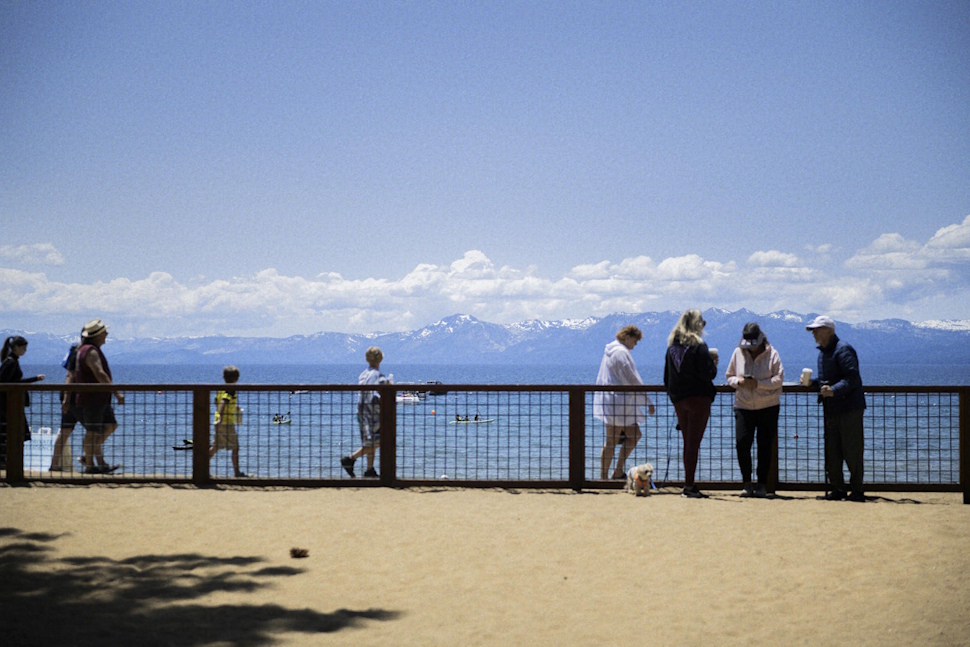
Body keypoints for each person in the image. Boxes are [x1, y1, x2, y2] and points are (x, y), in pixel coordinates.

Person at [806, 315, 866, 502]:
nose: (814, 333)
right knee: (832, 451)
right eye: (813, 330)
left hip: (848, 409)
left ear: (829, 331)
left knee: (852, 451)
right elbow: (828, 383)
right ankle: (838, 489)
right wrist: (812, 384)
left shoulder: (843, 350)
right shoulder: (823, 353)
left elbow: (852, 378)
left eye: (817, 329)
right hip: (832, 409)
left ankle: (856, 490)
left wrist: (833, 390)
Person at [725, 322, 784, 498]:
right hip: (743, 406)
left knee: (764, 446)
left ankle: (762, 484)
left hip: (768, 406)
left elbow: (778, 379)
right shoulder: (737, 353)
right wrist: (739, 382)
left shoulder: (773, 354)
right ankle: (746, 483)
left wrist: (758, 384)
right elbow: (729, 376)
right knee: (742, 443)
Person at [664, 309, 718, 498]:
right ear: (697, 324)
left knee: (688, 443)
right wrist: (713, 363)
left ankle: (688, 484)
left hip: (679, 400)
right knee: (693, 445)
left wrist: (674, 398)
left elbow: (667, 377)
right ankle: (689, 485)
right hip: (699, 399)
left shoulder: (672, 347)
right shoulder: (699, 345)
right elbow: (708, 374)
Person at [593, 325, 655, 480]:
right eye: (634, 341)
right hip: (619, 404)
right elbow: (632, 378)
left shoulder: (610, 351)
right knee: (613, 440)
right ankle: (605, 476)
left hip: (614, 402)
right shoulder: (620, 353)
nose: (634, 345)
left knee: (629, 436)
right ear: (627, 337)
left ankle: (615, 472)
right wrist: (647, 401)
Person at [73, 319, 123, 474]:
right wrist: (116, 392)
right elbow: (99, 373)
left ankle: (89, 457)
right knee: (92, 431)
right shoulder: (90, 351)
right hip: (92, 399)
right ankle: (92, 464)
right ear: (97, 335)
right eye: (104, 332)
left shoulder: (85, 349)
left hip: (99, 398)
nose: (106, 334)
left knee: (109, 426)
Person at [342, 346, 390, 478]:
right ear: (380, 359)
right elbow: (382, 389)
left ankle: (370, 470)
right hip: (372, 412)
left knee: (370, 441)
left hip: (361, 411)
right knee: (379, 441)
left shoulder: (363, 374)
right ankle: (350, 459)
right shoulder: (378, 375)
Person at [0, 336, 46, 467]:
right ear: (16, 348)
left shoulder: (10, 361)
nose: (25, 351)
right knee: (13, 432)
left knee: (9, 432)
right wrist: (34, 379)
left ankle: (7, 462)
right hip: (8, 406)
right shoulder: (11, 362)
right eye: (23, 348)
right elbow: (10, 383)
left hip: (8, 405)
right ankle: (8, 463)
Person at [50, 335, 82, 471]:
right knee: (94, 428)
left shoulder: (74, 352)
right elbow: (70, 376)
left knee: (64, 431)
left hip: (70, 396)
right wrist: (66, 400)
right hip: (76, 397)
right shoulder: (79, 354)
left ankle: (54, 464)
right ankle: (90, 459)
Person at [209, 365, 247, 477]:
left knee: (215, 447)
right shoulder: (231, 389)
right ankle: (237, 472)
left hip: (218, 421)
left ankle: (201, 468)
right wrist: (221, 416)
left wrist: (233, 407)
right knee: (235, 447)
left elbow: (216, 401)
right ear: (237, 378)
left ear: (223, 377)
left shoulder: (220, 388)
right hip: (226, 422)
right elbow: (223, 402)